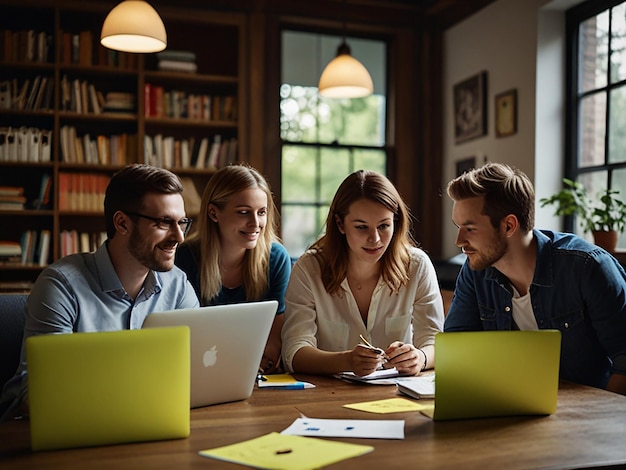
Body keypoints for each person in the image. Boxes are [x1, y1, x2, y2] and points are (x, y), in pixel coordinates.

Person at [0, 164, 200, 420]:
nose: (180, 237)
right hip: (71, 432)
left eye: (182, 222)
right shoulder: (61, 286)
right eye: (164, 223)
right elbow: (35, 392)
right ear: (122, 223)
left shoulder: (178, 286)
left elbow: (195, 371)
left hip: (152, 421)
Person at [445, 162, 626, 395]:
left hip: (589, 417)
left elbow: (624, 360)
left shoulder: (587, 268)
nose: (459, 241)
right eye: (458, 227)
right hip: (513, 405)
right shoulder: (475, 272)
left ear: (509, 225)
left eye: (469, 229)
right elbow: (458, 349)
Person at [281, 170, 444, 377]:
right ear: (340, 224)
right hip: (326, 396)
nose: (375, 239)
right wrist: (345, 361)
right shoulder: (309, 269)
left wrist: (419, 358)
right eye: (361, 227)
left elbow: (436, 344)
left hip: (397, 397)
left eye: (384, 225)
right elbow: (293, 353)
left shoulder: (417, 266)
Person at [175, 163, 291, 374]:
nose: (255, 223)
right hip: (198, 371)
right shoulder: (184, 258)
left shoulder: (276, 258)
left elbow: (274, 341)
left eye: (262, 212)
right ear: (213, 213)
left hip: (257, 373)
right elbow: (181, 339)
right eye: (244, 212)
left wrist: (255, 368)